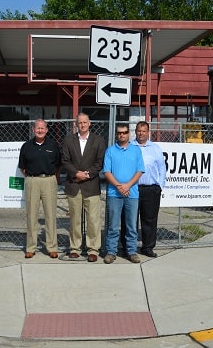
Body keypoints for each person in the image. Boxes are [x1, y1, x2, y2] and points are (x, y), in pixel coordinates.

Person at [61, 113, 106, 262]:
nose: (82, 125)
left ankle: (93, 249)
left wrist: (88, 174)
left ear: (89, 123)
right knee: (75, 219)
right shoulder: (68, 140)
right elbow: (65, 161)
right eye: (79, 122)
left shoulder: (98, 140)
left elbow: (99, 162)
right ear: (76, 124)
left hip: (91, 185)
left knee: (93, 219)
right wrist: (76, 173)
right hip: (74, 185)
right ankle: (75, 248)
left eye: (85, 122)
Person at [18, 119, 61, 259]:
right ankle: (31, 247)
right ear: (33, 129)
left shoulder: (53, 145)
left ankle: (52, 247)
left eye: (43, 128)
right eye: (38, 128)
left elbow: (58, 165)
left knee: (50, 215)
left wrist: (50, 177)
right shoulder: (26, 146)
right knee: (32, 216)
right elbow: (22, 167)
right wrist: (32, 177)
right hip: (32, 181)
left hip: (49, 180)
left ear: (47, 130)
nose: (40, 130)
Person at [102, 123, 145, 264]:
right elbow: (107, 171)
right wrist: (119, 186)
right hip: (114, 194)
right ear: (116, 134)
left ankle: (131, 251)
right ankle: (111, 252)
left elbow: (140, 171)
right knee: (113, 226)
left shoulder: (136, 150)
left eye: (125, 132)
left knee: (131, 226)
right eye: (119, 133)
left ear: (129, 134)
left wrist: (127, 185)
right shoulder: (110, 151)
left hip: (132, 194)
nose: (122, 135)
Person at [132, 121, 166, 258]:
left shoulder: (155, 148)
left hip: (151, 190)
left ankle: (148, 247)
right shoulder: (129, 147)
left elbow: (162, 168)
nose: (141, 133)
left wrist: (160, 186)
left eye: (144, 131)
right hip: (133, 188)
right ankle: (130, 247)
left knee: (150, 220)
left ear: (148, 132)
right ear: (135, 132)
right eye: (139, 131)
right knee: (130, 220)